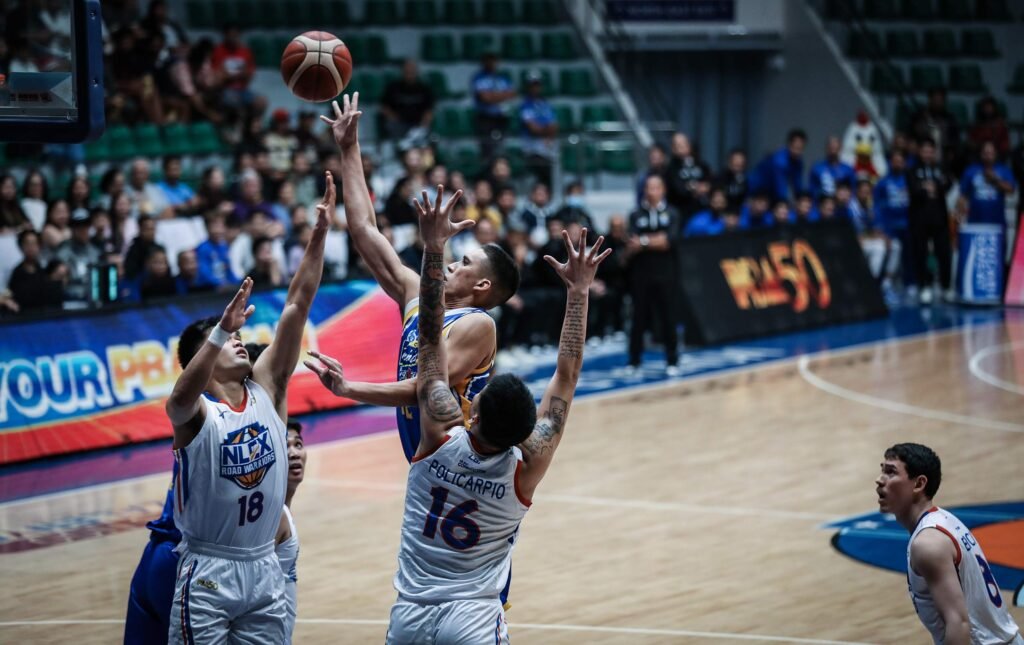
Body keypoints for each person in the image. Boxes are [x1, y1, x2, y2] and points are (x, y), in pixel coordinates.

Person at [308, 191, 610, 645]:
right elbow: (566, 376)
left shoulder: (438, 436)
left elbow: (429, 354)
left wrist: (433, 248)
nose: (453, 265)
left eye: (461, 261)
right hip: (472, 606)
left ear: (475, 406)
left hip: (415, 594)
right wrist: (579, 293)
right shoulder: (525, 469)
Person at [163, 175, 333, 644]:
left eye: (237, 335)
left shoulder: (267, 389)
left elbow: (298, 303)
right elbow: (178, 398)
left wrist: (318, 236)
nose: (238, 339)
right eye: (225, 339)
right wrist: (219, 328)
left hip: (263, 566)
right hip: (209, 570)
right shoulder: (199, 415)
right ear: (205, 354)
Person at [317, 93, 520, 464]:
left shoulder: (477, 324)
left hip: (463, 464)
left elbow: (426, 389)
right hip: (424, 460)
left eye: (465, 263)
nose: (453, 266)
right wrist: (350, 148)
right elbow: (364, 231)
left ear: (483, 287)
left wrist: (350, 388)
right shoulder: (417, 295)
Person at [875, 443, 1022, 645]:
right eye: (882, 470)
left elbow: (958, 623)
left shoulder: (928, 544)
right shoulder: (944, 520)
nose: (880, 480)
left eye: (890, 472)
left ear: (919, 484)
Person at [626, 174, 680, 375]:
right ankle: (634, 360)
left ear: (663, 190)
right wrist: (654, 240)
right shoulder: (636, 214)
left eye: (656, 187)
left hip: (666, 273)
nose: (652, 191)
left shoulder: (672, 213)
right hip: (641, 274)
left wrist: (645, 242)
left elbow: (669, 241)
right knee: (638, 318)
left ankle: (672, 360)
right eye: (649, 188)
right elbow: (632, 242)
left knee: (668, 317)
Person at [908, 138, 953, 304]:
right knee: (921, 253)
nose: (927, 154)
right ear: (920, 152)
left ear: (934, 152)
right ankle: (924, 287)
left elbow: (947, 184)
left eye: (930, 150)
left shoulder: (940, 169)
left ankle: (946, 287)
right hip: (919, 219)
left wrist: (932, 186)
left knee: (944, 253)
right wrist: (929, 188)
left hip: (939, 219)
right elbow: (914, 189)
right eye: (924, 150)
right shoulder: (912, 170)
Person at [276, 418, 306, 644]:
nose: (294, 453)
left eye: (298, 444)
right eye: (284, 446)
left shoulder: (283, 509)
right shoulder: (274, 515)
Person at [958, 140, 1016, 234]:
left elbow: (1011, 189)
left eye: (991, 153)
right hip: (975, 223)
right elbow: (962, 195)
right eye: (986, 153)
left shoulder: (1004, 170)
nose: (988, 156)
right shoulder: (971, 170)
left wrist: (995, 180)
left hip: (997, 223)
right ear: (981, 154)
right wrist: (960, 213)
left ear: (996, 154)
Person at [471, 52, 517, 163]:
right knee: (487, 150)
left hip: (501, 118)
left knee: (501, 148)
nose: (491, 63)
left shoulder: (502, 78)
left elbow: (512, 94)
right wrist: (501, 96)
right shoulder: (479, 78)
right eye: (488, 59)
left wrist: (493, 96)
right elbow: (485, 98)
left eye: (493, 60)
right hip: (485, 118)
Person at [519, 71, 558, 188]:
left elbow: (554, 126)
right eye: (532, 85)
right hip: (532, 149)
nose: (535, 88)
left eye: (537, 85)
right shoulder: (525, 105)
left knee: (549, 177)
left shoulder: (545, 104)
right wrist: (546, 131)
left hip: (547, 148)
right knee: (540, 176)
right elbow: (533, 128)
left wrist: (545, 131)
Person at [380, 58, 435, 142]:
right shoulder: (393, 88)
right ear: (403, 71)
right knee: (392, 126)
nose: (410, 74)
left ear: (416, 72)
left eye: (412, 71)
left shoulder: (424, 89)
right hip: (399, 124)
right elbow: (384, 107)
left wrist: (423, 125)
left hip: (418, 125)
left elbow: (429, 111)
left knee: (426, 134)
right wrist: (394, 119)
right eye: (407, 71)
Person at [8, 230, 63, 311]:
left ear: (39, 246)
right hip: (26, 317)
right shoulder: (17, 273)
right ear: (21, 246)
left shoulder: (46, 269)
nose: (31, 248)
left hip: (47, 315)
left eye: (34, 243)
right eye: (27, 244)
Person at [749, 129, 807, 203]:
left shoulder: (798, 162)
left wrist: (801, 201)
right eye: (795, 148)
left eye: (800, 149)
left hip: (770, 192)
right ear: (789, 145)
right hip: (756, 189)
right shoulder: (779, 161)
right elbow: (780, 190)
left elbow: (798, 186)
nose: (797, 152)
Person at [664, 132, 711, 219]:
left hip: (704, 209)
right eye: (677, 144)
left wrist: (692, 187)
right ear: (673, 148)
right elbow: (679, 190)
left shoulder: (701, 165)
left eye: (684, 143)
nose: (681, 146)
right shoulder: (670, 169)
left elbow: (710, 183)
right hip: (681, 211)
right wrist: (696, 188)